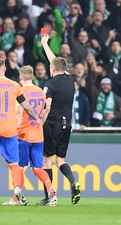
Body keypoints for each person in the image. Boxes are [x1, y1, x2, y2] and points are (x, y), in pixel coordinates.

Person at [0, 58, 40, 206]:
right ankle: (17, 189)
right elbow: (26, 106)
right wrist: (36, 117)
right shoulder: (14, 85)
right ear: (5, 69)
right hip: (10, 129)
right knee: (14, 163)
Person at [2, 65, 57, 206]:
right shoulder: (40, 91)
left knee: (19, 167)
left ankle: (16, 199)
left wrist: (14, 129)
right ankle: (51, 189)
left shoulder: (20, 92)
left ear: (20, 78)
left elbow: (19, 112)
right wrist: (40, 124)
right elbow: (45, 111)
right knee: (38, 168)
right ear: (32, 77)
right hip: (38, 136)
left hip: (23, 135)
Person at [38, 34, 81, 205]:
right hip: (67, 124)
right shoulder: (71, 80)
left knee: (47, 160)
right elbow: (56, 62)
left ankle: (50, 196)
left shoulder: (50, 84)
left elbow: (47, 106)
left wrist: (40, 123)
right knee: (60, 160)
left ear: (52, 69)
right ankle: (73, 182)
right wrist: (45, 44)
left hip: (52, 124)